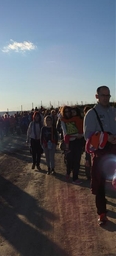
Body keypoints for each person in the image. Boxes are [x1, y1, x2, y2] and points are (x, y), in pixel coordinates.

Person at [83, 86, 116, 225]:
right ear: (97, 96)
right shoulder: (91, 114)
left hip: (115, 149)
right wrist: (106, 137)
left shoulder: (114, 111)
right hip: (101, 152)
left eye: (108, 95)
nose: (106, 98)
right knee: (100, 184)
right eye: (103, 95)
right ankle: (102, 213)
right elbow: (88, 135)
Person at [60, 106, 84, 184]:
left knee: (77, 160)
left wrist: (81, 135)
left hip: (78, 141)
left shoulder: (77, 119)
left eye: (68, 111)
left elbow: (83, 129)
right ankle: (68, 172)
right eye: (65, 111)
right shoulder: (63, 120)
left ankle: (75, 178)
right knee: (69, 159)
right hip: (69, 142)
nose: (67, 113)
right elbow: (65, 132)